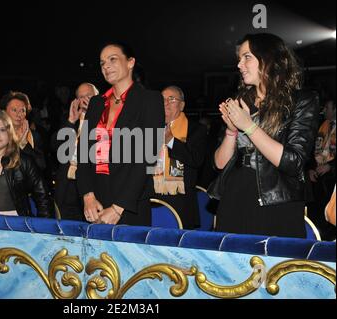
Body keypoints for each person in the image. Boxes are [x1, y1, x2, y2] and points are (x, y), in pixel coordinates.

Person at [209, 33, 320, 238]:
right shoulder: (241, 102)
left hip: (276, 200)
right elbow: (220, 164)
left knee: (272, 267)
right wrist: (231, 130)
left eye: (247, 57)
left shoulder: (302, 100)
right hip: (235, 194)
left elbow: (293, 161)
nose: (239, 65)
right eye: (239, 59)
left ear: (269, 59)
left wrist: (249, 126)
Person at [76, 42, 165, 226]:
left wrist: (119, 207)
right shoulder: (96, 103)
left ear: (130, 62)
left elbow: (147, 157)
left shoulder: (150, 100)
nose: (106, 66)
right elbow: (83, 152)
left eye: (112, 59)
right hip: (95, 204)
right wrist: (87, 196)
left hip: (131, 203)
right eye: (102, 63)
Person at [153, 85, 207, 229]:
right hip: (151, 201)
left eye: (171, 99)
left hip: (181, 202)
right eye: (162, 99)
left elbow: (196, 160)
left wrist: (170, 140)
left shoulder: (196, 130)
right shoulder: (150, 129)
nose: (165, 103)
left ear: (182, 105)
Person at [54, 82, 99, 221]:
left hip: (92, 187)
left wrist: (93, 115)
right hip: (68, 186)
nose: (84, 100)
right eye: (80, 97)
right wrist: (70, 121)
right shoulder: (71, 120)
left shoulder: (105, 121)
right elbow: (59, 152)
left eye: (89, 96)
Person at [307, 99, 336, 239]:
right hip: (318, 179)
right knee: (317, 219)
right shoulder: (321, 126)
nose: (324, 110)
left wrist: (331, 166)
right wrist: (311, 168)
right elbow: (311, 150)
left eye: (327, 107)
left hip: (332, 181)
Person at [0, 91, 46, 172]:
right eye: (14, 110)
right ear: (4, 112)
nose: (19, 114)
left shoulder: (33, 136)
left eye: (22, 111)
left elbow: (41, 166)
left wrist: (24, 145)